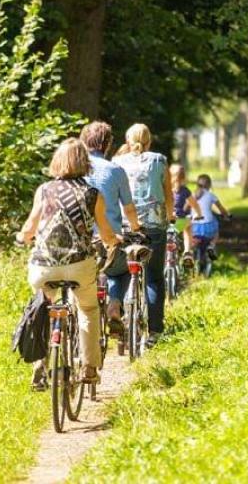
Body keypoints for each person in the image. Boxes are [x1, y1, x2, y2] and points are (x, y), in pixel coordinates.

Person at [16, 138, 119, 389]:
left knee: (42, 306)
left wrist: (21, 238)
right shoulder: (93, 194)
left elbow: (29, 228)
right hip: (79, 265)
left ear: (57, 162)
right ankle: (89, 366)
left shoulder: (44, 190)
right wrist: (113, 242)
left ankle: (39, 368)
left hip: (44, 266)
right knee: (88, 309)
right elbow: (106, 234)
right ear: (84, 163)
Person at [112, 124, 174, 347]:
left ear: (128, 141)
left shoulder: (118, 162)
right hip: (154, 226)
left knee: (121, 272)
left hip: (126, 227)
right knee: (155, 278)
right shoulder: (159, 161)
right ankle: (155, 332)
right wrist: (170, 215)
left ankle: (117, 313)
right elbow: (168, 194)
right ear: (150, 141)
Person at [80, 121, 142, 334]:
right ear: (107, 144)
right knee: (121, 271)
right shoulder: (116, 170)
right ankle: (114, 306)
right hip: (109, 243)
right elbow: (129, 209)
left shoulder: (73, 169)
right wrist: (136, 228)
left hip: (80, 245)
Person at [192, 174, 230, 259]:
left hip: (194, 227)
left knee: (191, 239)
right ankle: (211, 245)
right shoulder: (211, 195)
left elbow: (186, 208)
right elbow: (221, 208)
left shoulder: (192, 195)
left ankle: (191, 253)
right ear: (209, 185)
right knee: (216, 229)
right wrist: (227, 215)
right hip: (208, 227)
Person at [169, 164, 202, 262]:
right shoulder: (184, 190)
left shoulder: (165, 189)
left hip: (165, 222)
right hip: (178, 223)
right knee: (189, 225)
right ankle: (187, 251)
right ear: (183, 177)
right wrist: (199, 214)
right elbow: (194, 204)